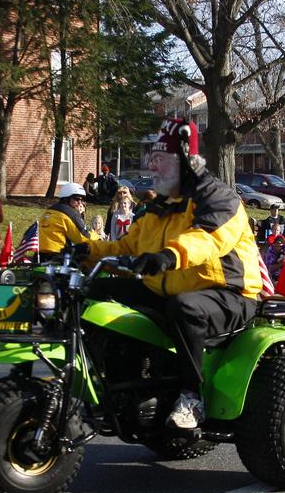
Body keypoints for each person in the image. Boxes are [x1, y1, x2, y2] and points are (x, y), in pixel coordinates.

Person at [82, 118, 262, 430]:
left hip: (227, 292)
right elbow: (128, 245)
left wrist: (168, 256)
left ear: (186, 164)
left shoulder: (219, 198)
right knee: (94, 290)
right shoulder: (161, 205)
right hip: (168, 288)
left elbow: (208, 238)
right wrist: (84, 251)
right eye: (153, 161)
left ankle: (192, 397)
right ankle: (115, 380)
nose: (154, 169)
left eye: (161, 162)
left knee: (186, 307)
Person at [38, 182, 99, 259]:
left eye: (81, 199)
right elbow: (83, 238)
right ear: (66, 198)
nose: (79, 202)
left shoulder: (50, 211)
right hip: (58, 255)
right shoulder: (70, 214)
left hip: (40, 254)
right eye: (77, 199)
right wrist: (96, 236)